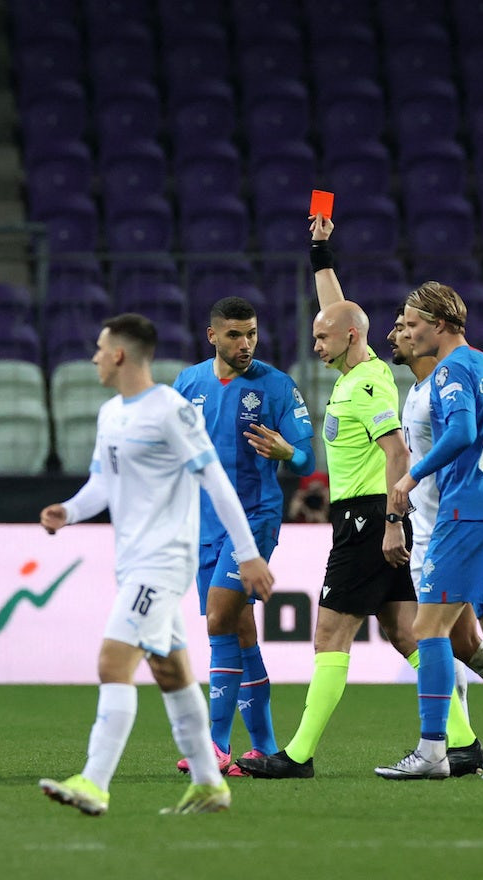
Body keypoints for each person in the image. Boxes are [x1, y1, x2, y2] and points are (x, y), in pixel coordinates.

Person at [237, 223, 478, 780]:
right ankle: (463, 743)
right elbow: (338, 312)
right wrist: (320, 254)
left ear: (348, 338)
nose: (313, 344)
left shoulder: (367, 384)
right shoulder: (355, 368)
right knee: (405, 633)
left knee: (329, 635)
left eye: (321, 338)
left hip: (369, 518)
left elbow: (397, 455)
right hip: (371, 516)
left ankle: (297, 755)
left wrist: (393, 522)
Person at [37, 313, 274, 816]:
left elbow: (216, 481)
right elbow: (101, 483)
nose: (96, 357)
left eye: (101, 348)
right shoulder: (111, 415)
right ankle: (211, 785)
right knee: (171, 672)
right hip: (132, 562)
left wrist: (248, 553)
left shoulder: (171, 410)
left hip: (163, 563)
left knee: (112, 661)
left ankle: (94, 782)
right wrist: (70, 511)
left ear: (120, 354)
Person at [374, 281, 483, 780]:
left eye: (413, 322)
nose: (407, 331)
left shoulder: (451, 370)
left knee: (427, 629)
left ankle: (432, 752)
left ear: (440, 325)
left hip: (466, 512)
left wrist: (412, 476)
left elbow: (462, 432)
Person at [171, 296, 315, 776]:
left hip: (254, 519)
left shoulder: (275, 386)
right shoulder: (188, 383)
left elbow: (309, 462)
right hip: (202, 525)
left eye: (251, 333)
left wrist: (286, 451)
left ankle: (213, 745)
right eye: (234, 334)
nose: (245, 343)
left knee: (217, 619)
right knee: (240, 629)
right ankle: (266, 747)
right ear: (212, 336)